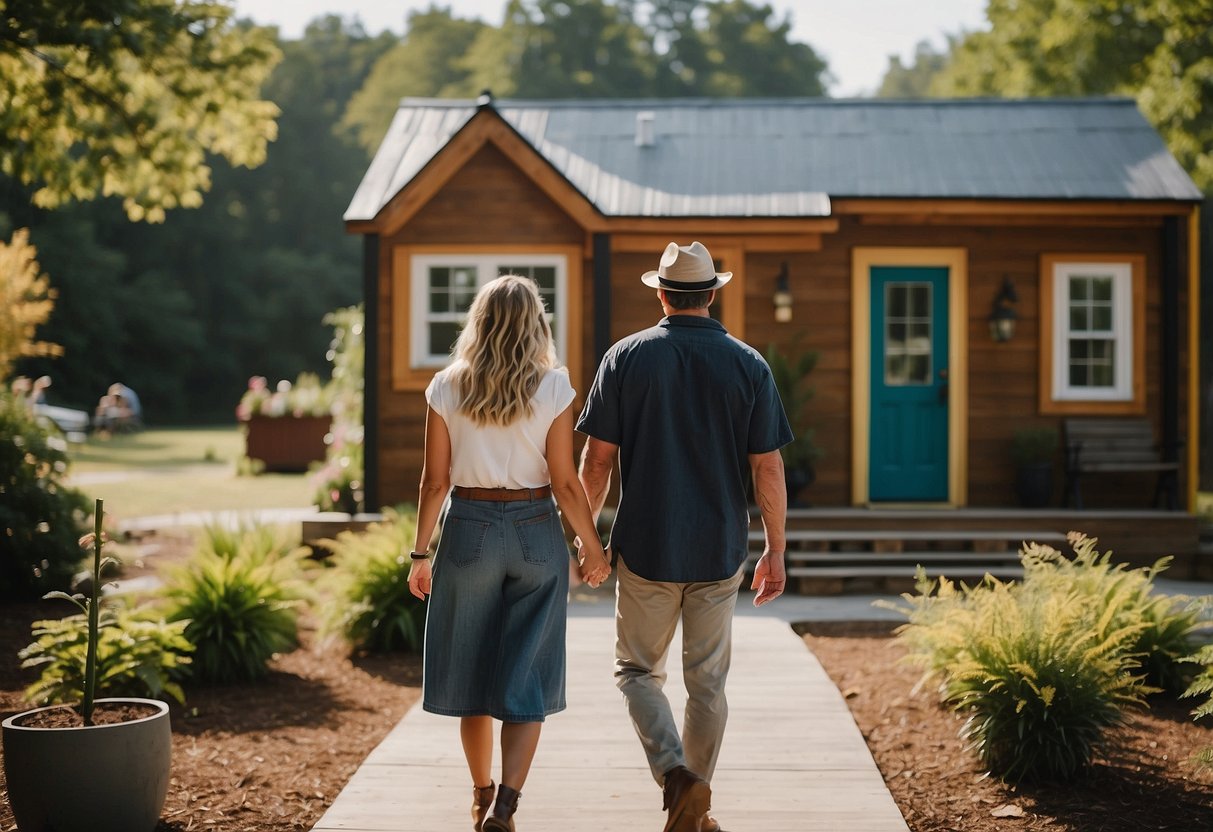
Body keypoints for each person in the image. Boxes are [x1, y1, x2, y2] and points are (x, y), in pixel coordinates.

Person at [576, 241, 791, 832]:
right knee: (708, 684)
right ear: (713, 293)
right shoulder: (749, 364)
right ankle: (696, 808)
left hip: (646, 547)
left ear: (662, 293)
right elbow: (767, 468)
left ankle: (677, 778)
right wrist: (775, 549)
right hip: (719, 549)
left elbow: (596, 463)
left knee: (637, 673)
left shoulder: (626, 358)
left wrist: (583, 539)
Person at [406, 274, 611, 832]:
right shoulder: (554, 387)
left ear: (479, 321)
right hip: (534, 528)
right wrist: (591, 550)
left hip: (468, 526)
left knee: (471, 671)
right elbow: (567, 482)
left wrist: (419, 553)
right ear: (535, 324)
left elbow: (433, 482)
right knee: (528, 672)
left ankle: (480, 793)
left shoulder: (446, 386)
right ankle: (508, 806)